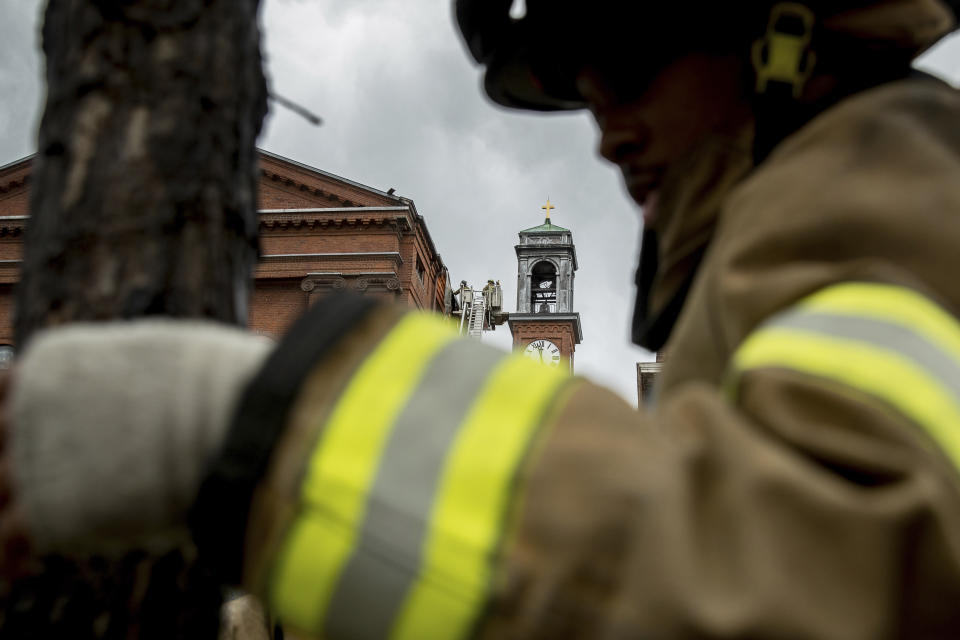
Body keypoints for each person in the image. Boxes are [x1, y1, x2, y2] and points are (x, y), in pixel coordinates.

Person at [3, 0, 960, 637]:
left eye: (627, 70)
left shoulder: (887, 200)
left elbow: (824, 580)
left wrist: (245, 432)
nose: (608, 133)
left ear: (777, 29)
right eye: (583, 92)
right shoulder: (811, 222)